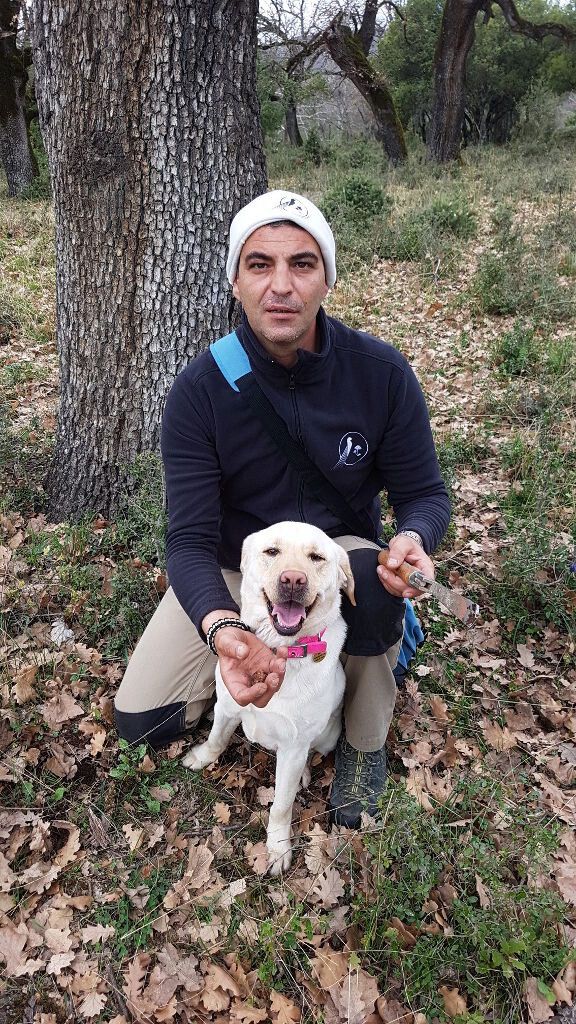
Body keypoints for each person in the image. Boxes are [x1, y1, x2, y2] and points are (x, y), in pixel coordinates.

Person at [114, 190, 450, 828]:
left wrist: (413, 534)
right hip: (243, 567)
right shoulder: (199, 391)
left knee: (376, 589)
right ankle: (254, 674)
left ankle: (363, 738)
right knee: (140, 722)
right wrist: (222, 629)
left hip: (337, 561)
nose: (281, 286)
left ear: (326, 276)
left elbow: (425, 494)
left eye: (302, 264)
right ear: (235, 279)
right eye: (260, 264)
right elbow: (186, 541)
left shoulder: (379, 373)